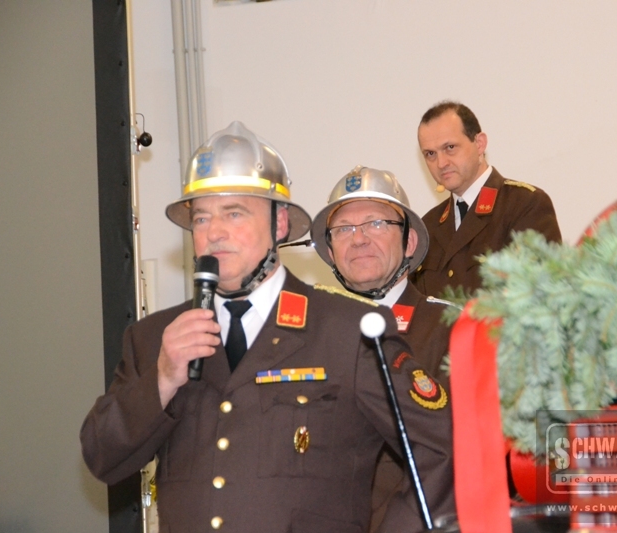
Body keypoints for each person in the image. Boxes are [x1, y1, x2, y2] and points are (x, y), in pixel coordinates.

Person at [80, 122, 455, 533]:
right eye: (201, 218)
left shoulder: (347, 332)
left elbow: (444, 447)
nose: (214, 232)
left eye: (234, 213)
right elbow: (102, 458)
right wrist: (162, 379)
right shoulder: (155, 337)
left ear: (279, 224)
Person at [311, 166, 453, 532]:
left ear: (409, 242)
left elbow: (451, 457)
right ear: (330, 251)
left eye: (375, 223)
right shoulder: (306, 335)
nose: (358, 239)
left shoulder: (452, 329)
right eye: (343, 229)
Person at [410, 101, 562, 297]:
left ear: (479, 143)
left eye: (450, 147)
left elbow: (541, 294)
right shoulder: (427, 226)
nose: (441, 163)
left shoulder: (524, 204)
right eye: (430, 154)